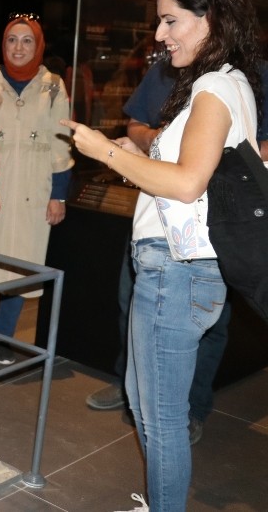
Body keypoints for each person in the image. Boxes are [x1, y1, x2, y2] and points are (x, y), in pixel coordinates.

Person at [63, 0, 263, 511]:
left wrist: (103, 150)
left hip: (176, 270)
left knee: (162, 417)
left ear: (210, 19)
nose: (159, 35)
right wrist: (134, 155)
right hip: (180, 268)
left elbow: (186, 182)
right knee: (147, 403)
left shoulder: (216, 87)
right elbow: (191, 174)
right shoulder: (222, 85)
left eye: (171, 21)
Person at [86, 54, 268, 443]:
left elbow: (203, 171)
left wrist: (196, 150)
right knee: (131, 304)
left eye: (171, 21)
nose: (161, 36)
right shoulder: (171, 68)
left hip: (206, 229)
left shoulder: (229, 81)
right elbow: (136, 123)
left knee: (207, 326)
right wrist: (156, 143)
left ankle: (190, 407)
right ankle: (134, 391)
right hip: (154, 218)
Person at [0, 15, 72, 365]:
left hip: (32, 193)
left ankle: (4, 338)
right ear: (2, 44)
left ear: (38, 46)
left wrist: (59, 194)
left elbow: (61, 144)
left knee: (21, 265)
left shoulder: (53, 87)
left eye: (27, 41)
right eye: (11, 40)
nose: (18, 48)